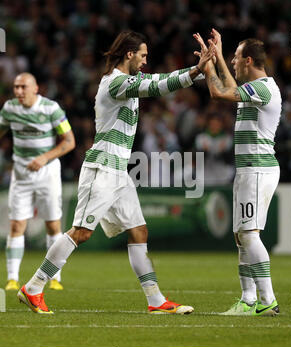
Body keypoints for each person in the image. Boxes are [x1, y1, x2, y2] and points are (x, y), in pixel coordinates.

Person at [17, 30, 212, 314]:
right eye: (143, 55)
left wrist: (201, 71)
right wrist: (195, 70)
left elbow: (157, 81)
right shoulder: (116, 83)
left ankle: (156, 301)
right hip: (102, 168)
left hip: (118, 171)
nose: (146, 61)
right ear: (129, 54)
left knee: (139, 231)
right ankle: (34, 287)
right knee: (81, 232)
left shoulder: (127, 81)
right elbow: (158, 86)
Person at [194, 29, 281, 316]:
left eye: (235, 58)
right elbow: (232, 89)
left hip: (257, 169)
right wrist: (217, 56)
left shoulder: (265, 88)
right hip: (249, 170)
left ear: (249, 60)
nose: (232, 62)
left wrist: (208, 67)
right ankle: (248, 299)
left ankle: (267, 300)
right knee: (241, 234)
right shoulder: (255, 90)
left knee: (249, 233)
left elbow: (219, 92)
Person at [0, 73, 75, 291]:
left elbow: (69, 141)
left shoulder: (51, 109)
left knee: (52, 225)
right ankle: (12, 278)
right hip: (21, 173)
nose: (18, 91)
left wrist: (44, 157)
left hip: (47, 173)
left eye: (23, 87)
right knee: (16, 225)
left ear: (35, 89)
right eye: (15, 87)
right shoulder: (9, 109)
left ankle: (55, 278)